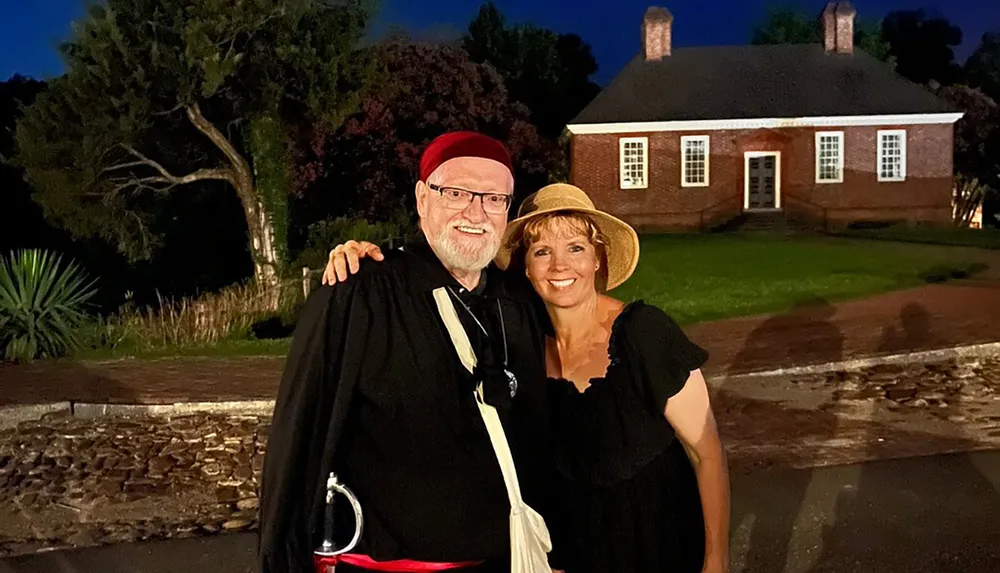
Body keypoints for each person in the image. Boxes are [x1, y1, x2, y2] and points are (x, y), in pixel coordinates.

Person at [323, 183, 731, 572]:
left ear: (597, 259)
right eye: (541, 251)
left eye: (576, 248)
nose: (560, 265)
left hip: (657, 542)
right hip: (573, 550)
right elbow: (436, 283)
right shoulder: (519, 340)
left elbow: (706, 452)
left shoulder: (644, 332)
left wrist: (716, 560)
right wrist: (369, 264)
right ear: (526, 266)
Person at [258, 131, 561, 573]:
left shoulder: (517, 303)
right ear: (422, 199)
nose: (476, 211)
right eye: (456, 192)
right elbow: (299, 437)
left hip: (508, 558)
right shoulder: (360, 293)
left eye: (494, 198)